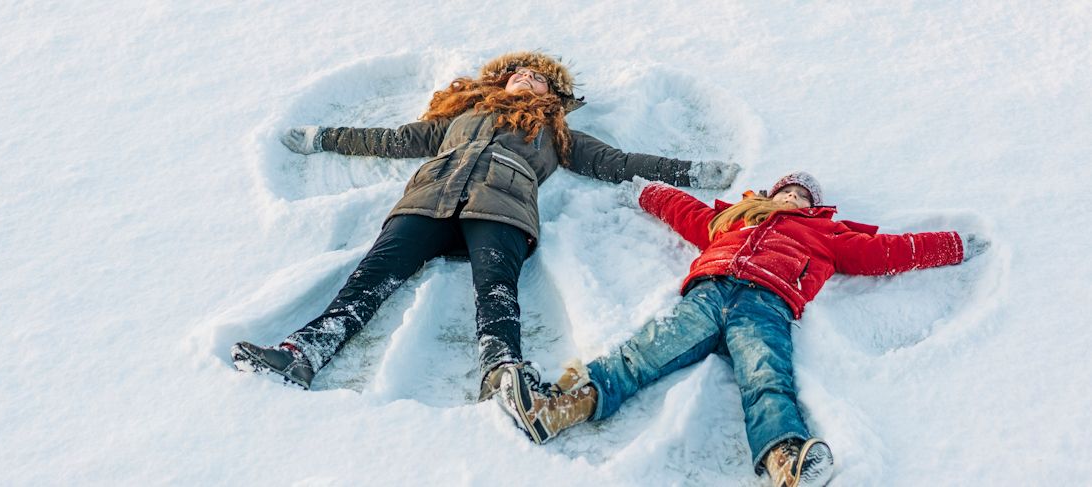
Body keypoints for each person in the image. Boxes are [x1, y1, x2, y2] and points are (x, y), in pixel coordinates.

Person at [230, 51, 741, 399]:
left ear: (552, 93)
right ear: (502, 79)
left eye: (538, 77)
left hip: (504, 205)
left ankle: (501, 371)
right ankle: (303, 352)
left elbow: (620, 161)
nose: (526, 77)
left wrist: (689, 172)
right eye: (518, 72)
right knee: (372, 275)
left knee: (496, 288)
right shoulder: (460, 117)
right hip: (429, 197)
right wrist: (323, 137)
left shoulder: (555, 131)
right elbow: (390, 139)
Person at [494, 172, 989, 487]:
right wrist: (645, 191)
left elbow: (890, 252)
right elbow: (685, 211)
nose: (793, 197)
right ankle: (556, 408)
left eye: (802, 195)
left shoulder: (830, 235)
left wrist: (953, 245)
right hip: (708, 295)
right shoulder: (735, 219)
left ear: (813, 206)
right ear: (773, 193)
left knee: (766, 377)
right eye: (787, 190)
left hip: (767, 305)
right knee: (642, 353)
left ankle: (786, 463)